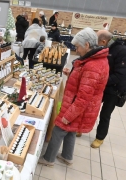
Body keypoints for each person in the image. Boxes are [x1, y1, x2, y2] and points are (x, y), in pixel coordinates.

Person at [38, 27, 109, 166]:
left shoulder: (93, 65)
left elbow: (83, 97)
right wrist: (71, 74)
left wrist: (68, 115)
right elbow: (85, 83)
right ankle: (67, 156)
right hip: (79, 105)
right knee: (71, 130)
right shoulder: (96, 60)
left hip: (76, 105)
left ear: (87, 45)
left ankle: (48, 159)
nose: (76, 50)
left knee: (59, 129)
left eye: (78, 46)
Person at [90, 30, 126, 148]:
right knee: (91, 107)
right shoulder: (105, 48)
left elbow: (120, 75)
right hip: (102, 84)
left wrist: (101, 80)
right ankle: (83, 127)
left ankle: (100, 137)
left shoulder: (122, 51)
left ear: (104, 41)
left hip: (114, 89)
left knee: (105, 114)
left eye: (97, 42)